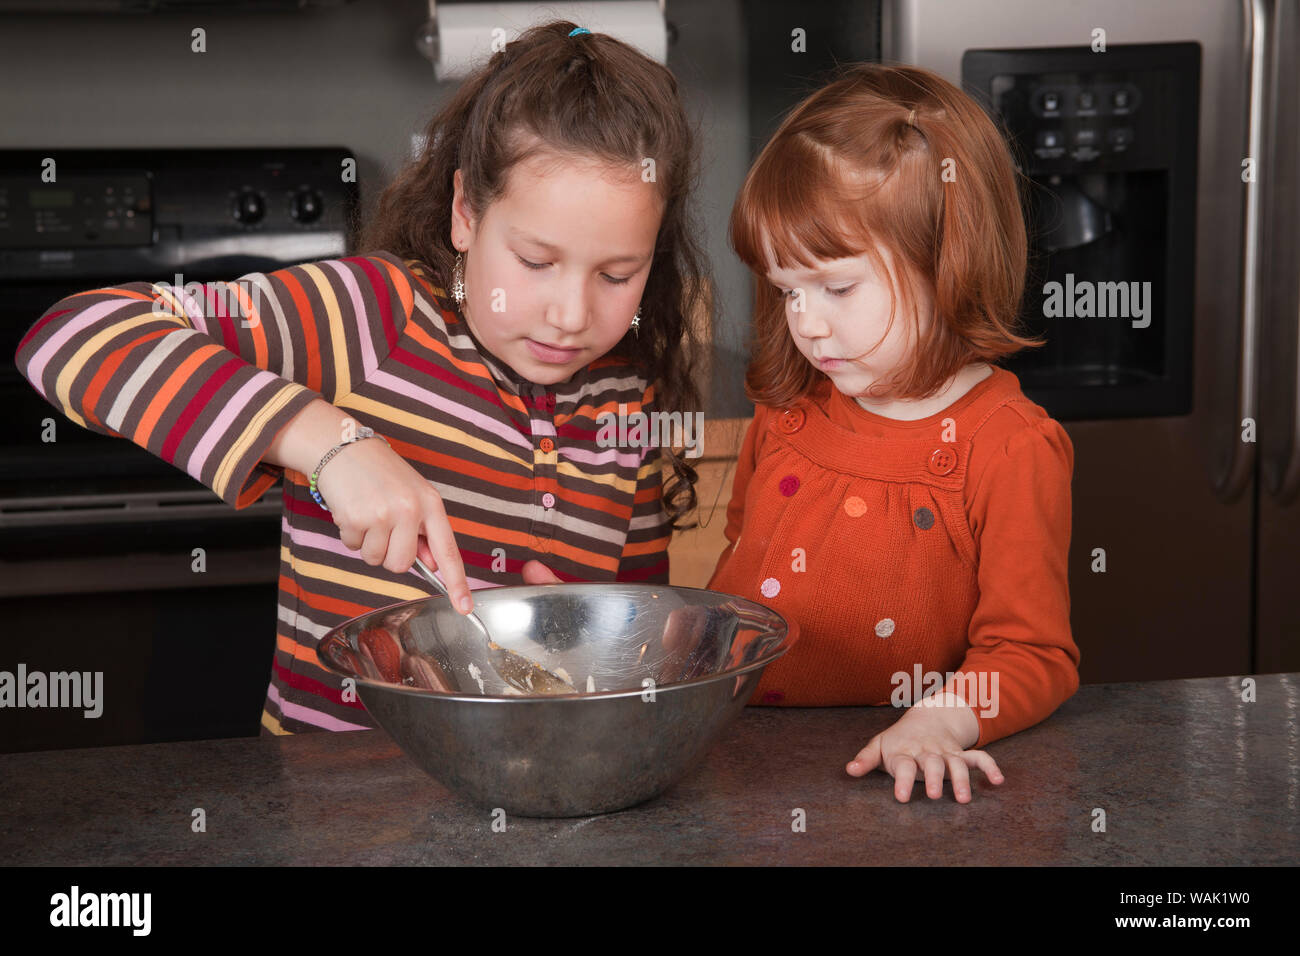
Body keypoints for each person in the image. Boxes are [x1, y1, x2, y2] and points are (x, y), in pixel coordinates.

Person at [14, 21, 708, 735]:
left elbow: (636, 651)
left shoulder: (625, 392)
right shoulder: (376, 317)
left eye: (617, 274)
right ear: (466, 212)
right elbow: (73, 336)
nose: (571, 314)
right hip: (336, 801)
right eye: (535, 261)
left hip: (534, 794)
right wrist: (327, 442)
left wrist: (578, 638)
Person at [709, 63, 1081, 803]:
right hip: (740, 776)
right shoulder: (786, 412)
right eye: (787, 291)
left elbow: (1032, 653)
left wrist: (942, 722)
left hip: (895, 784)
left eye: (837, 287)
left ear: (949, 261)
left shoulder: (1009, 448)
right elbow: (735, 589)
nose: (806, 323)